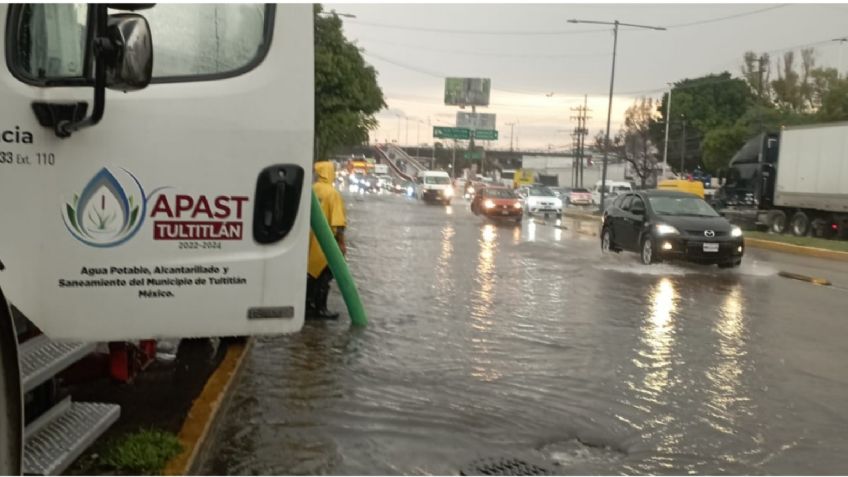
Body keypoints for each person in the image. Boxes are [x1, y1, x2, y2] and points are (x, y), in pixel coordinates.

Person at [307, 161, 347, 320]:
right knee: (325, 276)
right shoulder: (332, 193)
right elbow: (338, 222)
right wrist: (341, 243)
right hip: (327, 243)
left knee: (311, 275)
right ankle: (321, 308)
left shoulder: (311, 190)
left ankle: (308, 306)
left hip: (310, 241)